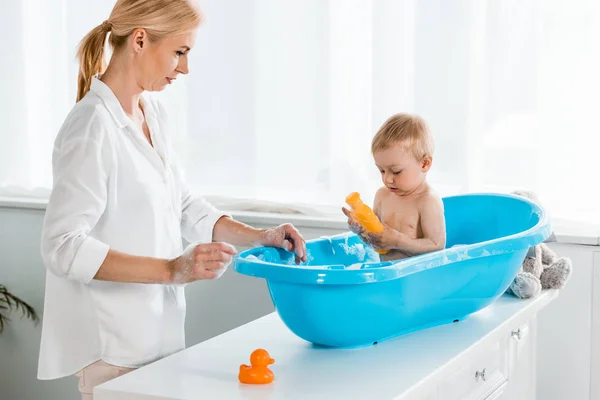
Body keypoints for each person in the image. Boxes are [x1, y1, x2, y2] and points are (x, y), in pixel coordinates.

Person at [36, 1, 307, 398]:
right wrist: (172, 270)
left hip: (158, 338)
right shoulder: (91, 126)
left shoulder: (151, 114)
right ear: (140, 40)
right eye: (180, 52)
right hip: (113, 348)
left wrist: (261, 235)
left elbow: (181, 205)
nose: (185, 68)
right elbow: (61, 247)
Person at [343, 113, 446, 260]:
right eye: (381, 170)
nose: (387, 179)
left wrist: (398, 241)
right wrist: (361, 231)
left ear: (424, 164)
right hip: (387, 276)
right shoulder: (382, 196)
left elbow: (437, 246)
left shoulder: (427, 201)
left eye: (396, 171)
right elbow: (376, 243)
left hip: (417, 279)